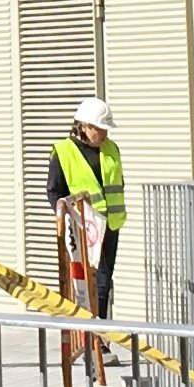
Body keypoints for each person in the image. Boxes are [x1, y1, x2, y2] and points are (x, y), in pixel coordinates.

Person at [45, 97, 128, 317]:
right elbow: (54, 192)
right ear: (84, 126)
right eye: (100, 129)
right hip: (84, 229)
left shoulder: (111, 148)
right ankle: (94, 334)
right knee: (90, 284)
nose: (104, 134)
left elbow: (117, 184)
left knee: (104, 281)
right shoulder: (63, 151)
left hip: (109, 226)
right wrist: (65, 217)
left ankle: (100, 332)